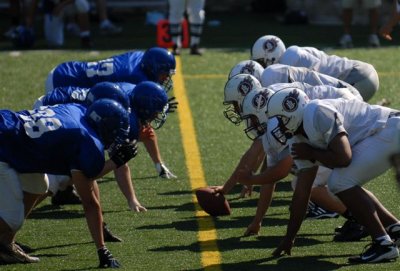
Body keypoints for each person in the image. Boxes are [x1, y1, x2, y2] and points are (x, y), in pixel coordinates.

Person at [264, 87, 400, 263]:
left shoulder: (317, 112)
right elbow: (302, 192)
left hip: (389, 128)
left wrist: (312, 152)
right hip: (385, 132)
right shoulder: (298, 138)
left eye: (281, 120)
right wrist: (289, 238)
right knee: (343, 181)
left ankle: (384, 245)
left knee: (340, 181)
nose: (280, 127)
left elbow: (344, 158)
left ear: (291, 112)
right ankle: (394, 229)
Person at [215, 79, 365, 238]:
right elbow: (270, 178)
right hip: (337, 135)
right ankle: (362, 218)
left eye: (252, 118)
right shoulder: (273, 129)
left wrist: (250, 180)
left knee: (315, 183)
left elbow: (281, 170)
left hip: (350, 133)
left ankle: (362, 219)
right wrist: (258, 220)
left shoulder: (282, 125)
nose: (250, 123)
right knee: (321, 180)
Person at [0, 98, 136, 267]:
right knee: (12, 218)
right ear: (106, 128)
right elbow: (90, 202)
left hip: (10, 130)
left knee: (38, 187)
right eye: (116, 131)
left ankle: (5, 245)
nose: (117, 137)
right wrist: (102, 250)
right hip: (5, 148)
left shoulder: (78, 109)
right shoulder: (88, 141)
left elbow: (86, 176)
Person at [45, 47, 177, 180]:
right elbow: (135, 134)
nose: (166, 78)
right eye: (164, 73)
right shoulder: (135, 80)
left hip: (69, 73)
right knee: (82, 143)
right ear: (152, 68)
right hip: (65, 83)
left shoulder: (140, 58)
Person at [250, 35, 379, 101]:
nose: (261, 66)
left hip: (357, 78)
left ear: (269, 56)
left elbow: (316, 79)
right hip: (360, 75)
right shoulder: (293, 52)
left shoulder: (291, 57)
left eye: (261, 62)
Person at [26, 0, 93, 48]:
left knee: (82, 3)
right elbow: (34, 2)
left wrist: (61, 5)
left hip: (67, 5)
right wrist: (30, 24)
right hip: (53, 11)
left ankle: (85, 37)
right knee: (55, 43)